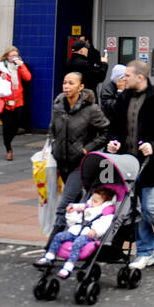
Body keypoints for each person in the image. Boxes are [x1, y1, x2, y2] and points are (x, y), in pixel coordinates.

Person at [105, 61, 154, 270]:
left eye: (127, 75)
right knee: (136, 210)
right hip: (127, 163)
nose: (123, 78)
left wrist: (153, 145)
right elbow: (114, 127)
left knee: (150, 207)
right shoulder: (123, 98)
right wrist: (113, 141)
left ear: (140, 77)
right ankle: (146, 252)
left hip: (152, 162)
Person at [47, 71, 110, 237]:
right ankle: (77, 234)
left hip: (80, 163)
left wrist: (87, 149)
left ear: (81, 87)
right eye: (65, 82)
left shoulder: (91, 109)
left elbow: (105, 132)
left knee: (64, 204)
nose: (66, 86)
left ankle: (51, 246)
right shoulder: (59, 105)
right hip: (62, 160)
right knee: (77, 199)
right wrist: (54, 145)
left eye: (71, 83)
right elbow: (52, 128)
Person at [35, 186, 117, 279]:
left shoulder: (105, 214)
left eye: (95, 201)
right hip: (76, 231)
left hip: (88, 236)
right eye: (92, 200)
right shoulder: (87, 210)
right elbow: (73, 223)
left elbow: (104, 225)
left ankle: (69, 266)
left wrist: (95, 230)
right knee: (59, 236)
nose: (92, 203)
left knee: (78, 243)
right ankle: (49, 256)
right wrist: (71, 213)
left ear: (105, 203)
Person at [0, 47, 32, 161]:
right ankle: (8, 150)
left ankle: (8, 141)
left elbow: (28, 77)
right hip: (5, 102)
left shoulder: (19, 66)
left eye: (16, 56)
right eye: (12, 56)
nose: (14, 58)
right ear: (7, 56)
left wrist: (21, 65)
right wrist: (1, 77)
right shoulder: (0, 67)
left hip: (18, 101)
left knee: (15, 127)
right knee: (7, 126)